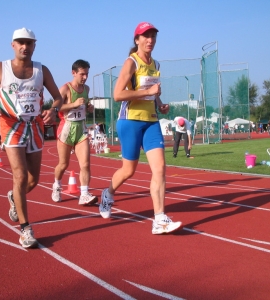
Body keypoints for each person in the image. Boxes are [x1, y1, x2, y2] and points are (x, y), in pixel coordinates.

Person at [0, 27, 63, 248]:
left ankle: (14, 197)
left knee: (33, 179)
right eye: (20, 43)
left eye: (29, 43)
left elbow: (58, 97)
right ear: (13, 45)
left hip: (35, 126)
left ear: (35, 45)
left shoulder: (41, 70)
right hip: (10, 125)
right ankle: (25, 229)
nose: (25, 47)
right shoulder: (0, 68)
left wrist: (53, 110)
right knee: (20, 176)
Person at [99, 22, 182, 235]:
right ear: (137, 40)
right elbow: (118, 95)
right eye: (145, 36)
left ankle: (159, 219)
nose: (150, 40)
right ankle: (108, 194)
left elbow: (151, 91)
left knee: (160, 168)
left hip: (151, 121)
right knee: (129, 170)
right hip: (130, 121)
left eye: (153, 36)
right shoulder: (131, 63)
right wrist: (149, 92)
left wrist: (159, 102)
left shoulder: (156, 64)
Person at [51, 59, 97, 205]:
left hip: (81, 129)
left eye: (87, 74)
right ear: (74, 73)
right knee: (63, 164)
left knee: (85, 164)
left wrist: (89, 108)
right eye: (82, 74)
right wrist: (73, 104)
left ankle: (84, 194)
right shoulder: (65, 88)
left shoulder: (87, 89)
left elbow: (85, 106)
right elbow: (56, 107)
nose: (85, 77)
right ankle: (57, 186)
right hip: (66, 129)